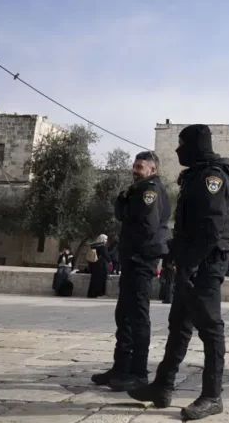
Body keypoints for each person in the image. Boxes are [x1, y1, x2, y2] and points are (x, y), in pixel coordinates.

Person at [127, 124, 229, 421]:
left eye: (182, 144)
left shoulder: (211, 177)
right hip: (191, 264)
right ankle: (162, 386)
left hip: (205, 264)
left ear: (196, 146)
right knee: (179, 325)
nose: (177, 151)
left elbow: (212, 228)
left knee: (210, 328)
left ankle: (212, 396)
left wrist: (193, 263)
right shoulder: (196, 175)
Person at [91, 151, 171, 391]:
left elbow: (147, 226)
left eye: (140, 167)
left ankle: (138, 372)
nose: (135, 170)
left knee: (137, 316)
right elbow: (124, 216)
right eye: (134, 166)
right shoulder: (138, 190)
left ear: (152, 169)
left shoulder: (150, 191)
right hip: (133, 259)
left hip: (141, 260)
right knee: (124, 314)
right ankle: (120, 367)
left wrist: (136, 254)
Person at [87, 234, 112, 298]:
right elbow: (106, 256)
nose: (106, 241)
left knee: (94, 279)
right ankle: (99, 294)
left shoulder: (93, 246)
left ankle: (91, 293)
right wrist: (110, 262)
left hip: (94, 265)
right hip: (101, 265)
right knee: (101, 280)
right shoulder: (103, 247)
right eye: (105, 239)